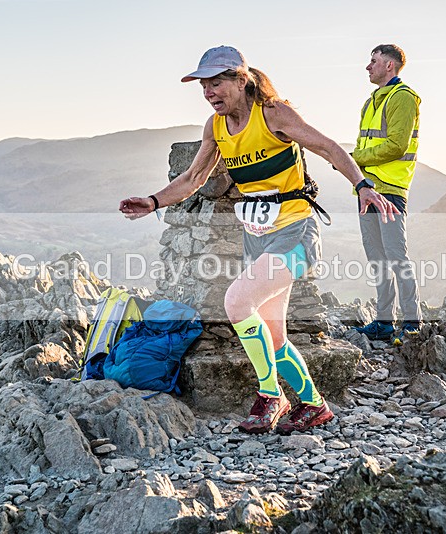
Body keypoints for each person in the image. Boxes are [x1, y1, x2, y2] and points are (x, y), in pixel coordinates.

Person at [120, 46, 399, 434]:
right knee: (275, 336)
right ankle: (314, 405)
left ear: (241, 80)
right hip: (258, 237)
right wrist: (152, 202)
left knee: (236, 301)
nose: (208, 92)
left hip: (297, 233)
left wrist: (363, 185)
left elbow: (327, 147)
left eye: (216, 83)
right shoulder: (216, 127)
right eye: (203, 86)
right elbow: (194, 179)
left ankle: (271, 396)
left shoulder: (272, 114)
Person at [351, 44, 423, 345]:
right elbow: (366, 143)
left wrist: (355, 158)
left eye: (374, 61)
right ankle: (383, 322)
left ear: (389, 66)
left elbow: (396, 145)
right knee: (377, 259)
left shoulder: (402, 97)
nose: (368, 67)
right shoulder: (371, 102)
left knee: (396, 256)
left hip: (390, 190)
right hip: (367, 190)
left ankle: (412, 323)